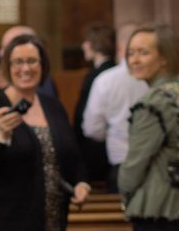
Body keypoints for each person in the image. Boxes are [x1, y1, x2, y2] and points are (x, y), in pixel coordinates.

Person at [0, 34, 90, 231]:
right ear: (7, 67)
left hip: (52, 219)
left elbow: (73, 156)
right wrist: (1, 136)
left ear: (42, 66)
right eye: (18, 62)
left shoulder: (53, 106)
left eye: (32, 61)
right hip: (4, 222)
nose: (25, 68)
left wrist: (82, 183)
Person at [117, 23, 179, 229]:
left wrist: (125, 191)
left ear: (165, 58)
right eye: (131, 53)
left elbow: (135, 163)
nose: (134, 60)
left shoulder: (154, 103)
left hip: (160, 208)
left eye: (143, 53)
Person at [83, 23, 148, 192]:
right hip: (145, 162)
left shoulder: (106, 80)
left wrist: (115, 134)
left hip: (124, 160)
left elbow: (92, 128)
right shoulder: (108, 80)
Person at [73, 22, 115, 184]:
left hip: (97, 147)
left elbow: (87, 117)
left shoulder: (98, 75)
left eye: (86, 42)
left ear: (94, 45)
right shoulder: (110, 71)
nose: (83, 46)